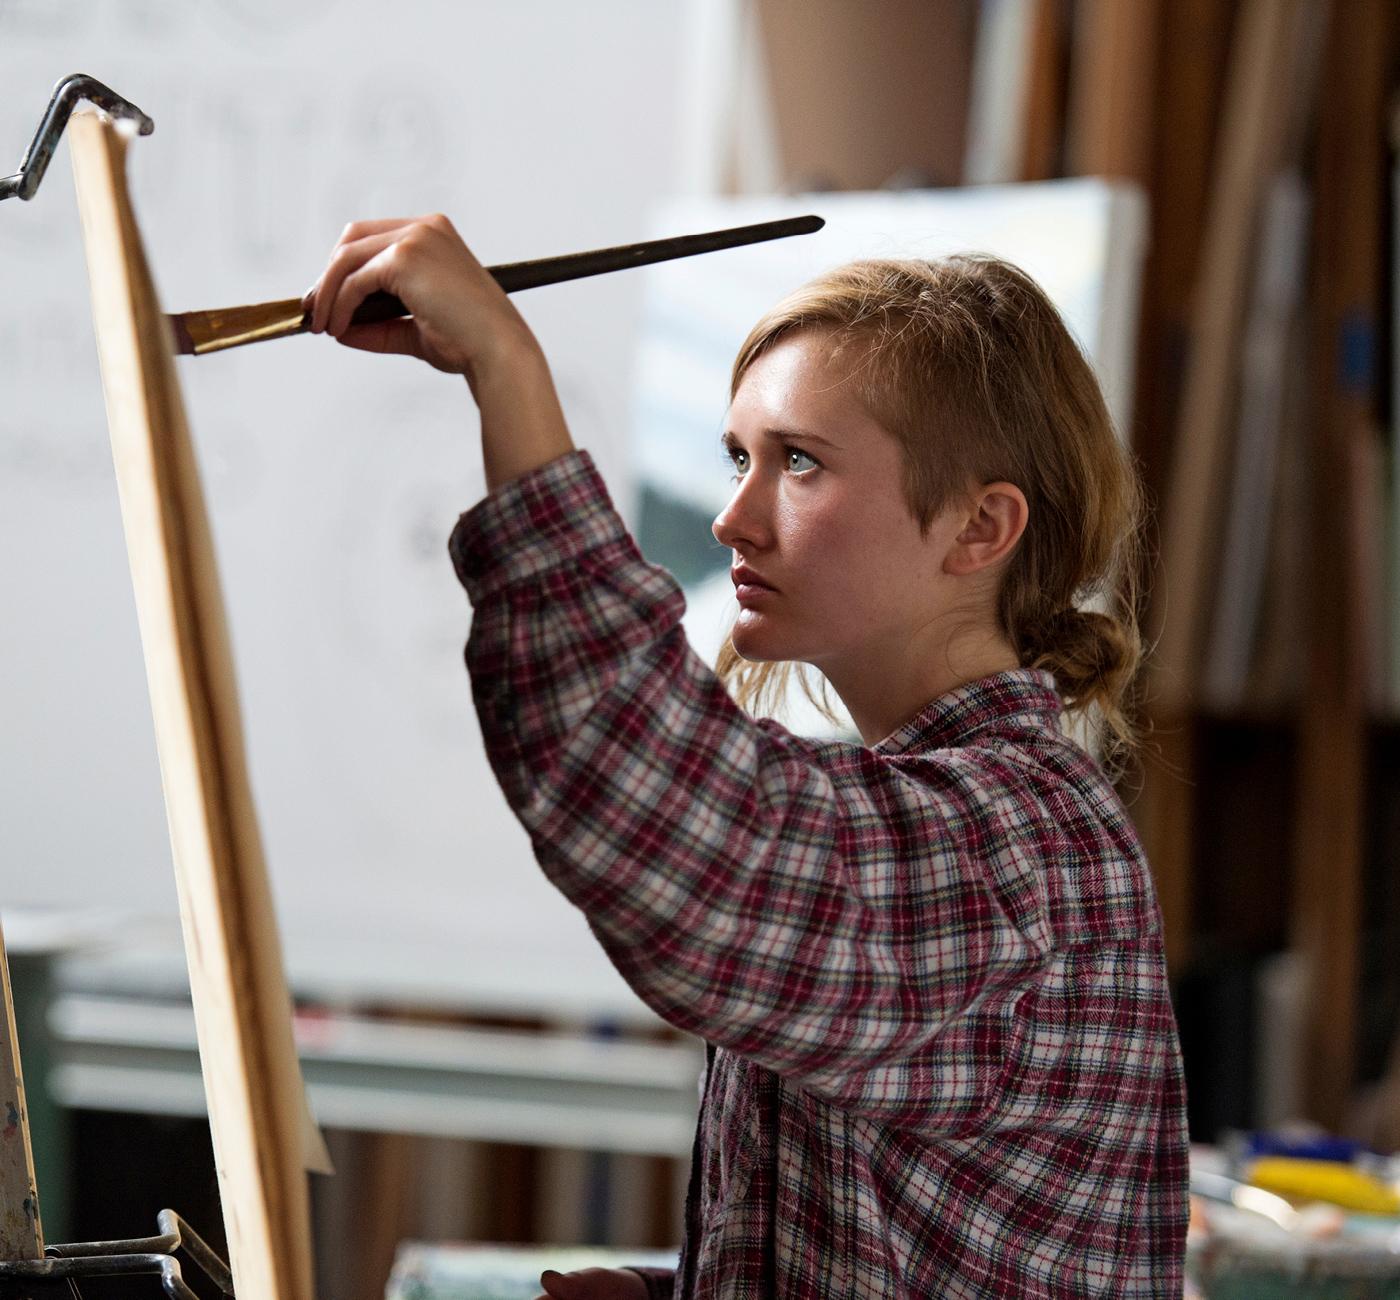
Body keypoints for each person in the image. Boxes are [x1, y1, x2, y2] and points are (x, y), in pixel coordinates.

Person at [306, 214, 1190, 1298]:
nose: (732, 517)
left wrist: (505, 363)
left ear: (977, 529)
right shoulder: (960, 806)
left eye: (799, 463)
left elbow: (675, 832)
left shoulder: (1014, 846)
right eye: (738, 459)